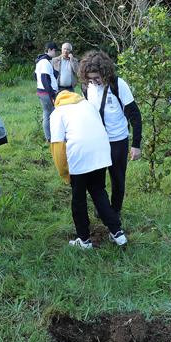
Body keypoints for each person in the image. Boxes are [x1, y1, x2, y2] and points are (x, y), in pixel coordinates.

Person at [49, 90, 127, 249]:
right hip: (101, 152)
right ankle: (117, 233)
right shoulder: (87, 104)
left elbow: (57, 147)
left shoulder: (57, 113)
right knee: (99, 191)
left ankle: (84, 240)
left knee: (78, 199)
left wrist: (64, 173)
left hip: (79, 155)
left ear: (54, 100)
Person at [79, 51, 143, 217]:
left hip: (117, 141)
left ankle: (115, 211)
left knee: (117, 180)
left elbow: (135, 115)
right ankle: (102, 208)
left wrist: (136, 145)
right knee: (96, 180)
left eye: (97, 78)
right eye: (90, 79)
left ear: (105, 72)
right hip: (97, 141)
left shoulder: (118, 85)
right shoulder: (86, 87)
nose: (94, 82)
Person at [35, 42, 59, 142]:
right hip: (46, 93)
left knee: (48, 114)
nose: (55, 53)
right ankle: (49, 138)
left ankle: (50, 137)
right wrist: (52, 94)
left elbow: (35, 76)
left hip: (43, 92)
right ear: (49, 50)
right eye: (55, 50)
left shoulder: (42, 61)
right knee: (49, 115)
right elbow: (44, 78)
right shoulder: (44, 62)